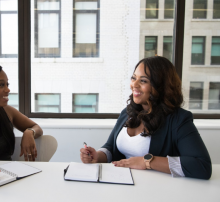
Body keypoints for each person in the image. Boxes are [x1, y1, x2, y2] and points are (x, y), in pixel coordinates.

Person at [80, 56, 212, 179]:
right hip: (122, 184)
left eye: (143, 80)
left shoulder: (178, 119)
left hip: (154, 191)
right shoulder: (127, 113)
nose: (134, 85)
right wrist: (97, 156)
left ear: (161, 86)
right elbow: (110, 148)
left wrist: (147, 161)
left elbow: (202, 166)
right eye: (133, 78)